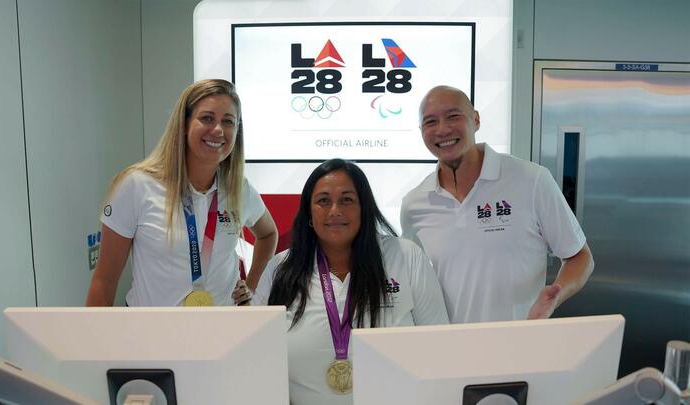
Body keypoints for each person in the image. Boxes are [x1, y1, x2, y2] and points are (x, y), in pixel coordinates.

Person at [253, 159, 448, 405]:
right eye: (323, 200)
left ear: (364, 208)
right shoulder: (281, 269)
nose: (335, 210)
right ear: (309, 213)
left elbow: (439, 348)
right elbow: (257, 356)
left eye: (347, 199)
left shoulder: (405, 257)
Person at [400, 86, 594, 323]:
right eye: (430, 122)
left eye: (453, 116)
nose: (443, 129)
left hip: (519, 346)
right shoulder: (415, 204)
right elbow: (409, 277)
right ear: (421, 131)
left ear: (476, 120)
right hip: (449, 349)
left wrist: (555, 297)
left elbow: (580, 257)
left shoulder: (531, 180)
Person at [86, 79, 277, 307]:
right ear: (185, 124)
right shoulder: (137, 186)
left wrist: (251, 286)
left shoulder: (238, 188)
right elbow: (104, 281)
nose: (218, 129)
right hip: (152, 334)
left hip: (222, 333)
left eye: (228, 121)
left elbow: (268, 234)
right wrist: (96, 340)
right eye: (207, 118)